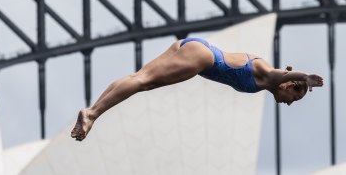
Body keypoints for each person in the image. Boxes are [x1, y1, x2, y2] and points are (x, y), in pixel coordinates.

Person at [71, 37, 324, 141]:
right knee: (142, 82)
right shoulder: (270, 77)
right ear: (289, 85)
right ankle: (91, 114)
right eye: (293, 97)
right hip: (203, 58)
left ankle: (92, 112)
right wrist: (308, 77)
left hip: (195, 48)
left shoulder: (269, 81)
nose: (289, 102)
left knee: (141, 80)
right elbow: (280, 74)